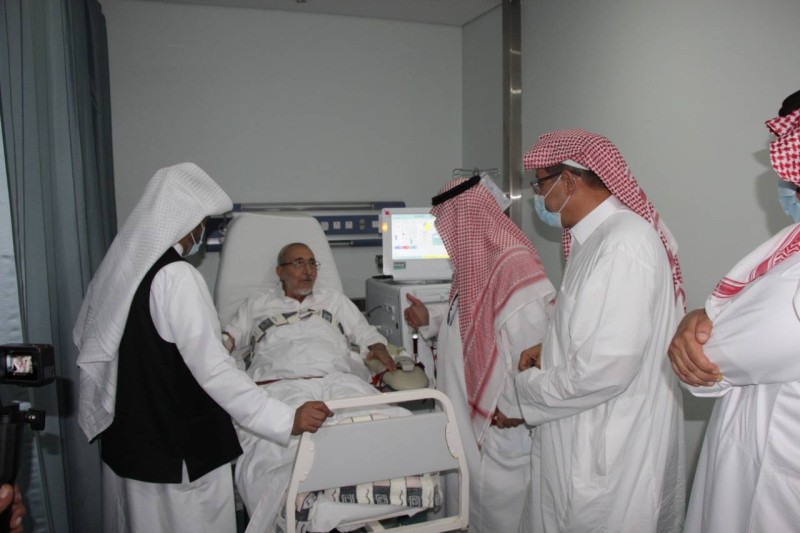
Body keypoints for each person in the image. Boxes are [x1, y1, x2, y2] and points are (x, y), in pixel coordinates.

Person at [73, 163, 331, 533]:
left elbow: (90, 340)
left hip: (130, 444)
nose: (202, 232)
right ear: (188, 219)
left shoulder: (123, 271)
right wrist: (285, 418)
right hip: (177, 453)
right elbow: (215, 370)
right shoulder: (176, 277)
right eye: (204, 222)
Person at [515, 129, 686, 533]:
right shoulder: (595, 239)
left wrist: (528, 388)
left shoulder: (624, 244)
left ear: (568, 181)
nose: (540, 197)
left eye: (540, 184)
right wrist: (551, 348)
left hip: (608, 446)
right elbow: (594, 329)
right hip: (583, 430)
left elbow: (606, 369)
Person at [667, 90, 800, 533]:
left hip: (773, 491)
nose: (786, 183)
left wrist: (695, 324)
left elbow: (705, 359)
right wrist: (701, 315)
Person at [403, 174, 556, 533]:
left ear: (465, 218)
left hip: (500, 430)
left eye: (446, 224)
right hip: (467, 422)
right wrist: (430, 320)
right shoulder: (476, 268)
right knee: (467, 509)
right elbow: (470, 325)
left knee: (497, 518)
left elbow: (533, 350)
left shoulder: (513, 268)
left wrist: (515, 411)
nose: (445, 236)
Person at [222, 242, 402, 531]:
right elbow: (228, 340)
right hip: (281, 384)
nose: (308, 271)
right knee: (282, 444)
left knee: (379, 422)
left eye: (312, 263)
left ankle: (380, 487)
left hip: (338, 379)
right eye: (298, 263)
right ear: (280, 272)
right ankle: (302, 502)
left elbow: (365, 333)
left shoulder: (334, 300)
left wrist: (378, 347)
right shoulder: (256, 305)